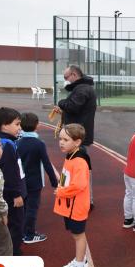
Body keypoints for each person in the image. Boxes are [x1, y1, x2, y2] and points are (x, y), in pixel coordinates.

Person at [54, 124, 91, 267]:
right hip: (69, 205)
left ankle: (79, 266)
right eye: (60, 139)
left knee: (78, 235)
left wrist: (62, 191)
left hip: (76, 207)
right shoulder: (70, 155)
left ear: (77, 142)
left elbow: (79, 185)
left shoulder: (79, 161)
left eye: (65, 140)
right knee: (75, 234)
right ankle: (80, 261)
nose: (61, 142)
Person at [56, 65, 97, 207]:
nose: (65, 80)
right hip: (76, 136)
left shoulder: (82, 89)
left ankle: (87, 200)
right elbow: (74, 109)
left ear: (74, 75)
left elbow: (72, 106)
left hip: (78, 138)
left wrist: (61, 103)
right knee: (76, 169)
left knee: (81, 170)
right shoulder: (82, 88)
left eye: (66, 77)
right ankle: (82, 197)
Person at [16, 112, 59, 244]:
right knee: (32, 208)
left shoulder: (17, 142)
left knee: (22, 207)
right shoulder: (39, 143)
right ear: (37, 125)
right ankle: (29, 235)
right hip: (35, 182)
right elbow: (47, 164)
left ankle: (21, 231)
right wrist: (54, 182)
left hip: (20, 181)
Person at [0, 107, 27, 256]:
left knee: (9, 224)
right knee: (16, 225)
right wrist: (16, 194)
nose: (19, 128)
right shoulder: (5, 145)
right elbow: (9, 172)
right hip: (10, 194)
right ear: (4, 125)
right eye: (17, 124)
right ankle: (12, 254)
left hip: (4, 191)